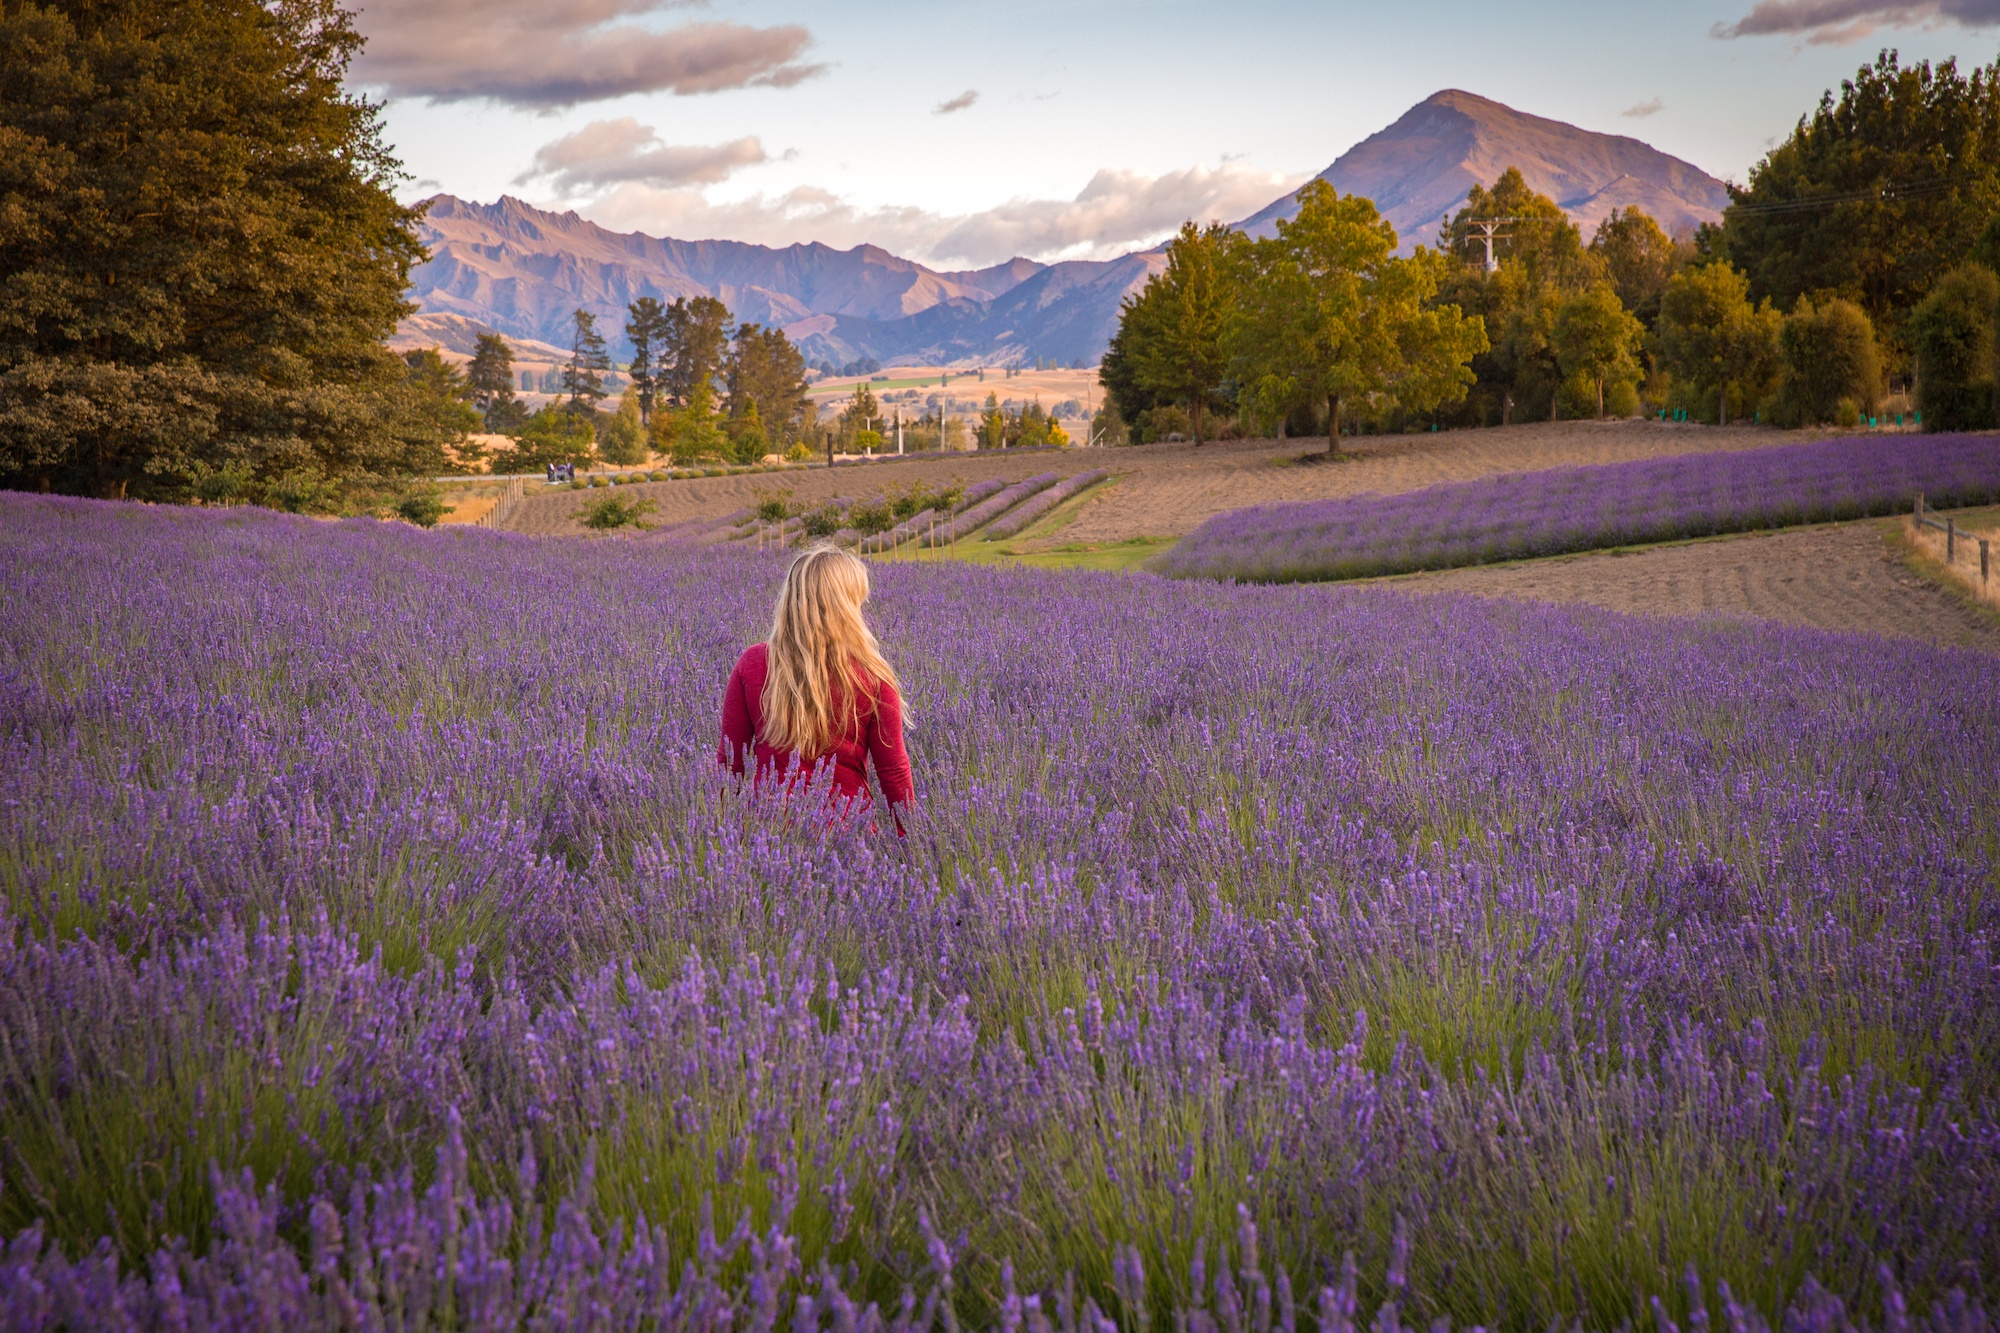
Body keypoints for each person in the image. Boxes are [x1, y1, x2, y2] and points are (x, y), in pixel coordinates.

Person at [717, 542, 914, 829]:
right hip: (848, 839)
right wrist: (913, 848)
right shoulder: (873, 677)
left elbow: (730, 764)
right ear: (845, 606)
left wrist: (722, 840)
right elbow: (893, 773)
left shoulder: (754, 663)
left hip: (770, 836)